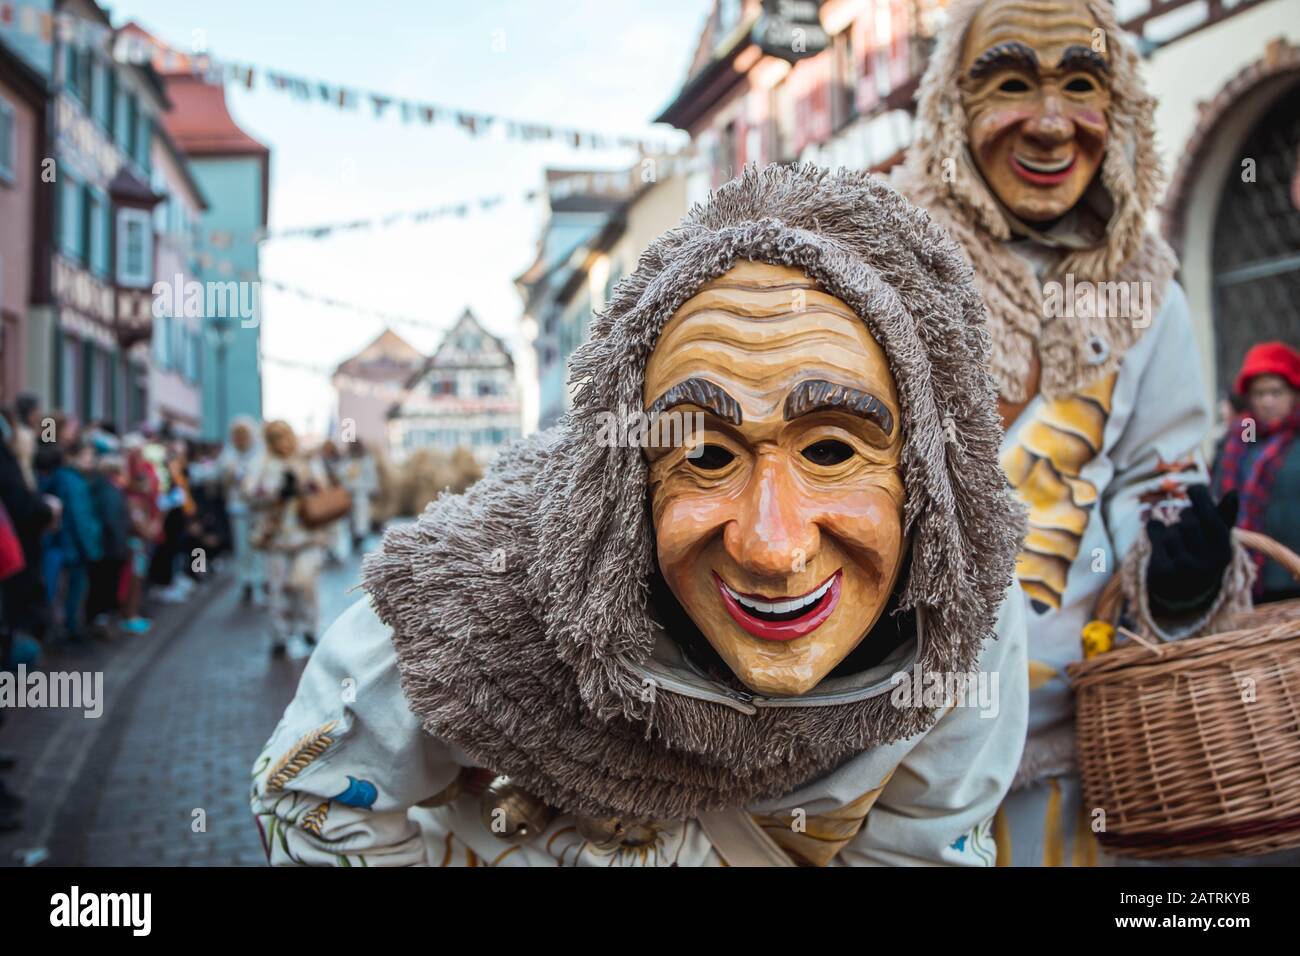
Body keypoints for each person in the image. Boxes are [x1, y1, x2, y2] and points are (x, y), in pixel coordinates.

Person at [251, 164, 1029, 867]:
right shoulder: (487, 598)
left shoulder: (964, 623)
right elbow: (312, 799)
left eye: (830, 450)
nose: (771, 546)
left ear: (931, 467)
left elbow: (924, 847)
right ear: (625, 476)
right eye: (708, 457)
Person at [890, 0, 1251, 865]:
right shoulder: (882, 264)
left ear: (1117, 108)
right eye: (1011, 83)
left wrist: (1177, 572)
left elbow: (1154, 477)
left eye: (1081, 87)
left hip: (1078, 767)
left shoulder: (1148, 292)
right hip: (886, 770)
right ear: (952, 108)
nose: (1051, 126)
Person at [1215, 342, 1300, 603]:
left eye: (1276, 392)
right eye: (1259, 393)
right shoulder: (1238, 441)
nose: (1267, 402)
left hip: (1293, 576)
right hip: (1249, 582)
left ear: (1294, 393)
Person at [246, 420, 329, 656]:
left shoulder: (306, 460)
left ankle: (309, 628)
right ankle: (280, 634)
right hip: (276, 535)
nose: (282, 443)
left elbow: (322, 488)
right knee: (277, 586)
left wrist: (302, 487)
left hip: (306, 533)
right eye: (275, 438)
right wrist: (276, 494)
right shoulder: (261, 462)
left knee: (306, 583)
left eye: (284, 437)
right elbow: (249, 492)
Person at [38, 439, 103, 645]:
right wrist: (91, 548)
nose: (92, 461)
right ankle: (69, 631)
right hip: (72, 548)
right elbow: (79, 517)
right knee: (71, 592)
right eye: (88, 456)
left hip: (67, 546)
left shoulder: (68, 479)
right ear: (73, 456)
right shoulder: (72, 481)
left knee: (63, 591)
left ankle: (65, 630)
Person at [220, 416, 265, 604]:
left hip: (258, 508)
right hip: (239, 507)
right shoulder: (229, 456)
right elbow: (223, 480)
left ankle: (261, 580)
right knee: (242, 546)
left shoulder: (260, 455)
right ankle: (246, 581)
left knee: (259, 546)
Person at [341, 441, 378, 551]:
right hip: (349, 494)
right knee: (352, 519)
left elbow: (371, 477)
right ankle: (355, 538)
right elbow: (342, 475)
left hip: (362, 493)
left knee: (361, 518)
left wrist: (371, 489)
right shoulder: (347, 460)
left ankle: (360, 539)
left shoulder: (366, 460)